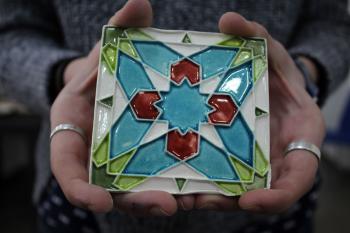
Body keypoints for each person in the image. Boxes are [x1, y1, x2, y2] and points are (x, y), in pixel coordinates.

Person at [0, 0, 349, 232]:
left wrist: (301, 78)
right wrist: (66, 75)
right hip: (84, 188)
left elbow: (333, 23)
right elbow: (9, 33)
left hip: (271, 195)